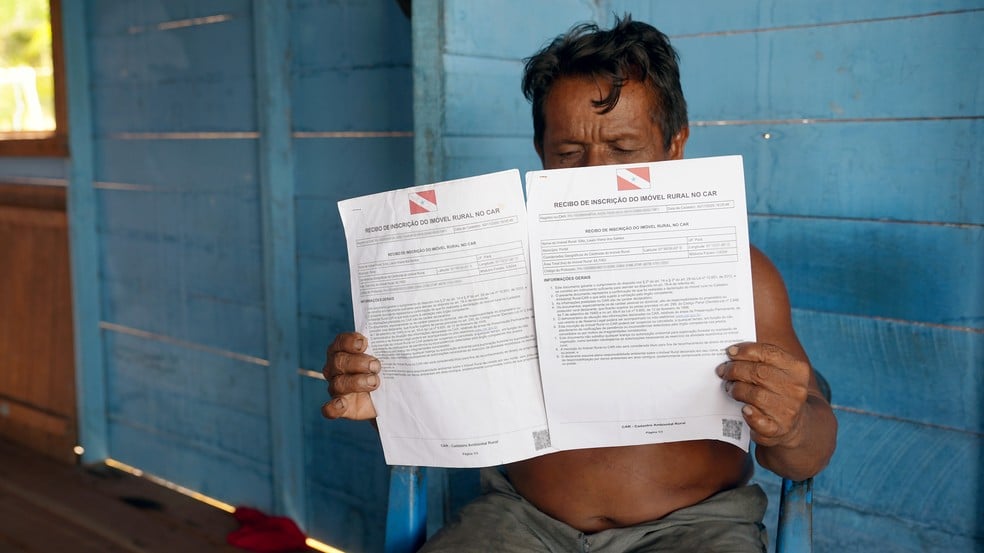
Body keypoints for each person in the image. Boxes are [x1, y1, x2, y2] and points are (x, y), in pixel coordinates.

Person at [322, 16, 837, 553]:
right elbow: (438, 411)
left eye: (623, 147)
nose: (593, 175)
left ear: (675, 145)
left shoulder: (740, 273)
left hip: (696, 529)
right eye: (568, 154)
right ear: (540, 151)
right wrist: (383, 394)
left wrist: (791, 425)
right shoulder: (491, 266)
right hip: (520, 519)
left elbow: (809, 453)